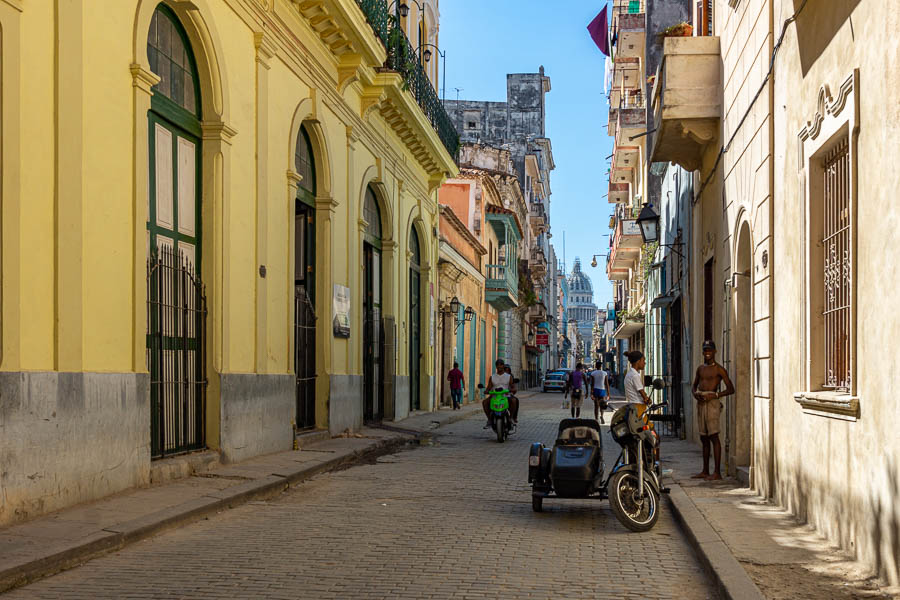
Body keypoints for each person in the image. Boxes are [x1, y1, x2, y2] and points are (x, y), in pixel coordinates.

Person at [691, 340, 735, 481]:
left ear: (715, 351)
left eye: (710, 350)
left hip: (713, 402)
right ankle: (705, 470)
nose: (707, 353)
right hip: (701, 403)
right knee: (703, 437)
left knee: (713, 436)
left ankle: (717, 472)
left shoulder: (719, 369)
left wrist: (715, 395)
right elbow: (694, 386)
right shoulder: (700, 369)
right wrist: (695, 394)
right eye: (705, 350)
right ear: (703, 352)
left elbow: (730, 389)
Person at [484, 359, 519, 428]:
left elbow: (512, 386)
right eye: (498, 365)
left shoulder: (509, 377)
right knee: (485, 402)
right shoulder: (492, 377)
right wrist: (486, 391)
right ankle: (489, 420)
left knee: (514, 400)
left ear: (503, 366)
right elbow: (488, 388)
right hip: (495, 396)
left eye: (501, 364)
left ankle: (511, 418)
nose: (499, 366)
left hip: (505, 396)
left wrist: (513, 389)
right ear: (496, 366)